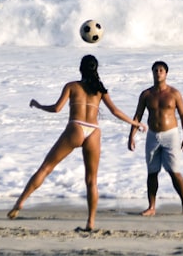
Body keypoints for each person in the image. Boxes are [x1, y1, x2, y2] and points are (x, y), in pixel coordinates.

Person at [8, 54, 146, 231]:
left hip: (76, 127)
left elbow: (57, 109)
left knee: (46, 168)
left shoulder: (72, 86)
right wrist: (135, 123)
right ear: (96, 69)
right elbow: (115, 111)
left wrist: (39, 105)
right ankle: (91, 222)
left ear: (80, 68)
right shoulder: (100, 90)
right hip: (94, 131)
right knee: (91, 180)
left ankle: (20, 203)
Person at [128, 61, 183, 216]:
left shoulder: (174, 93)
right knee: (152, 172)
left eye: (161, 70)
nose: (158, 73)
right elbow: (138, 116)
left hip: (171, 135)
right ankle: (151, 207)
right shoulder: (146, 94)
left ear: (166, 73)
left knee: (174, 171)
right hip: (152, 135)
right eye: (155, 70)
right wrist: (131, 136)